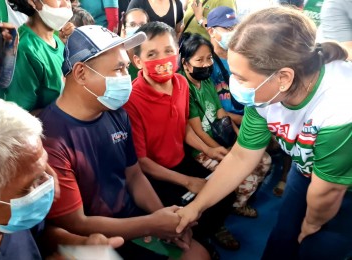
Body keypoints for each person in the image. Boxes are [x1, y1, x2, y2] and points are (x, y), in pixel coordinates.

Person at [176, 6, 352, 260]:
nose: (235, 85)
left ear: (283, 78)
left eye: (240, 77)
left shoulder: (340, 105)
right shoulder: (264, 95)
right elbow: (241, 157)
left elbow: (328, 192)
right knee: (283, 238)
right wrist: (197, 206)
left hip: (343, 189)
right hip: (305, 173)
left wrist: (311, 225)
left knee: (317, 247)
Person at [39, 25, 209, 260]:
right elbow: (76, 222)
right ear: (81, 73)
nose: (126, 79)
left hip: (131, 216)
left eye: (125, 68)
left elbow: (134, 175)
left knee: (197, 254)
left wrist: (165, 220)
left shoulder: (116, 113)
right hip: (93, 238)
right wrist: (151, 224)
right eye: (118, 69)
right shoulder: (51, 138)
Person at [0, 93, 124, 259]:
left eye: (46, 168)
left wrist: (79, 245)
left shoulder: (1, 212)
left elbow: (37, 235)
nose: (49, 183)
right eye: (30, 184)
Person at [124, 22, 240, 258]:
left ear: (177, 53)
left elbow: (184, 126)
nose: (163, 59)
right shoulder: (131, 101)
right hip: (155, 176)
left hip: (182, 161)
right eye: (152, 54)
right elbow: (142, 162)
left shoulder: (180, 84)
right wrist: (187, 181)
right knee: (181, 216)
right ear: (138, 62)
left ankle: (208, 233)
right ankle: (197, 244)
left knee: (226, 193)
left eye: (168, 51)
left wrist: (209, 149)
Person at [178, 32, 271, 218]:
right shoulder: (183, 87)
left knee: (265, 160)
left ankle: (238, 201)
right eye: (199, 60)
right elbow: (197, 130)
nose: (206, 64)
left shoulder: (206, 81)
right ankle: (234, 206)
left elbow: (221, 113)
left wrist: (238, 139)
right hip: (204, 149)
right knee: (245, 177)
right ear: (185, 63)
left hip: (220, 139)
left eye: (209, 58)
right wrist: (225, 152)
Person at [0, 0, 74, 112]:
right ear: (32, 1)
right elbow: (19, 116)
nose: (66, 4)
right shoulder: (26, 49)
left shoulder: (57, 41)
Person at [206, 6, 244, 125]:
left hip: (250, 116)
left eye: (236, 28)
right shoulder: (205, 63)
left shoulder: (243, 56)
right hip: (226, 123)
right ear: (211, 31)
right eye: (228, 28)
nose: (233, 33)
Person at [121, 8, 150, 79]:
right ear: (124, 31)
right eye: (132, 25)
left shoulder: (153, 56)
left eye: (142, 25)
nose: (137, 29)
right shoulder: (118, 59)